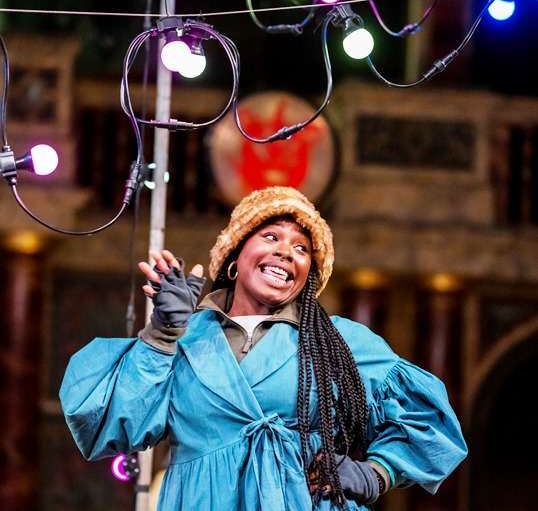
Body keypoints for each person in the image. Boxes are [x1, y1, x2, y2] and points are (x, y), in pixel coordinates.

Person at [60, 186, 467, 511]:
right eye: (271, 236)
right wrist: (162, 334)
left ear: (309, 274)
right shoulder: (185, 337)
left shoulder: (338, 342)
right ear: (235, 256)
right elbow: (109, 424)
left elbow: (430, 423)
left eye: (302, 248)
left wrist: (375, 474)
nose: (286, 251)